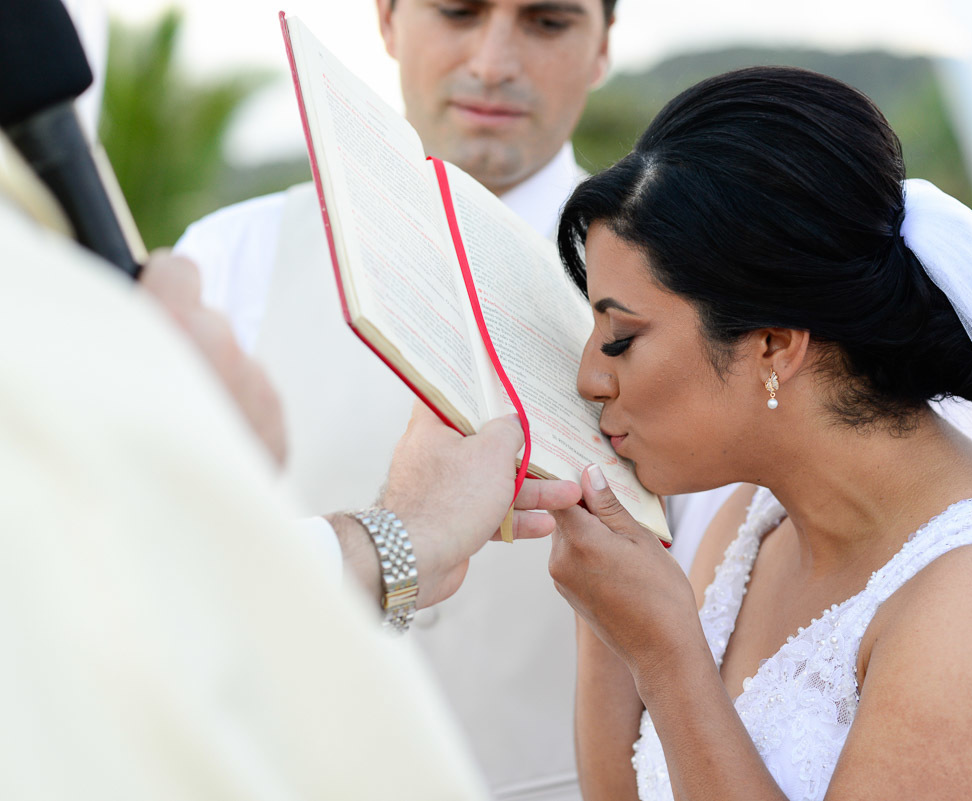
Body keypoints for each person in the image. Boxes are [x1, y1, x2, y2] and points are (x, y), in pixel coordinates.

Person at [544, 67, 972, 800]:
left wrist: (668, 657)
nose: (590, 375)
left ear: (774, 344)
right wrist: (607, 621)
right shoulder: (754, 528)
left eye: (620, 337)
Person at [174, 2, 736, 797]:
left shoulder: (690, 292)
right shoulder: (231, 258)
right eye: (458, 12)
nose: (494, 61)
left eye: (546, 22)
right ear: (388, 20)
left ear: (603, 46)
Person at [0, 157, 582, 798]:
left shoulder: (642, 248)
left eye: (546, 43)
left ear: (600, 53)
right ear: (389, 45)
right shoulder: (239, 247)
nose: (492, 62)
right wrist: (396, 540)